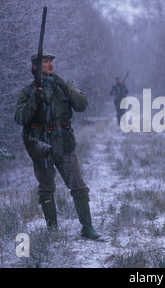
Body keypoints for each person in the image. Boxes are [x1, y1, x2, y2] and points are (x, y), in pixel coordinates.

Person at [14, 51, 102, 240]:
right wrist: (34, 101)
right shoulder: (28, 91)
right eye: (45, 62)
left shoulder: (64, 85)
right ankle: (53, 231)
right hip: (40, 145)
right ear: (36, 67)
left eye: (51, 61)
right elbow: (20, 118)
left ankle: (88, 228)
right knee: (46, 188)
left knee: (78, 186)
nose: (50, 64)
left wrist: (63, 85)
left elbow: (82, 105)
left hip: (64, 143)